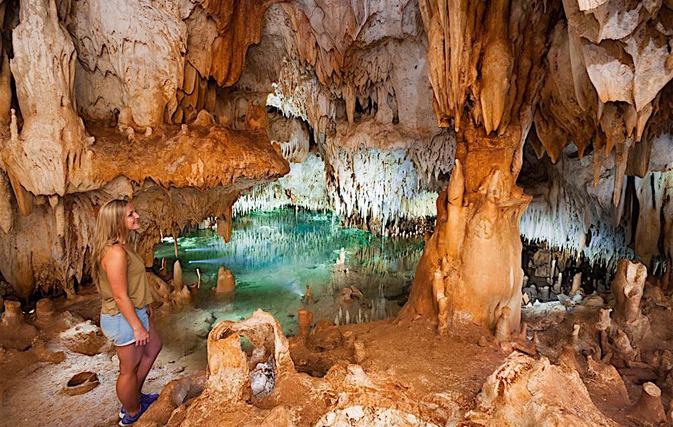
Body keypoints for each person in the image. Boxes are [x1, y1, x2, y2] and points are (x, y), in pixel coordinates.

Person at [92, 199, 162, 426]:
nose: (137, 216)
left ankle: (133, 397)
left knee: (154, 347)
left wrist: (145, 303)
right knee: (128, 370)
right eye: (131, 214)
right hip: (123, 319)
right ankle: (131, 413)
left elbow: (131, 285)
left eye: (135, 212)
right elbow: (120, 295)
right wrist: (136, 326)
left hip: (134, 311)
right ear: (117, 221)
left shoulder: (123, 246)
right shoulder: (114, 253)